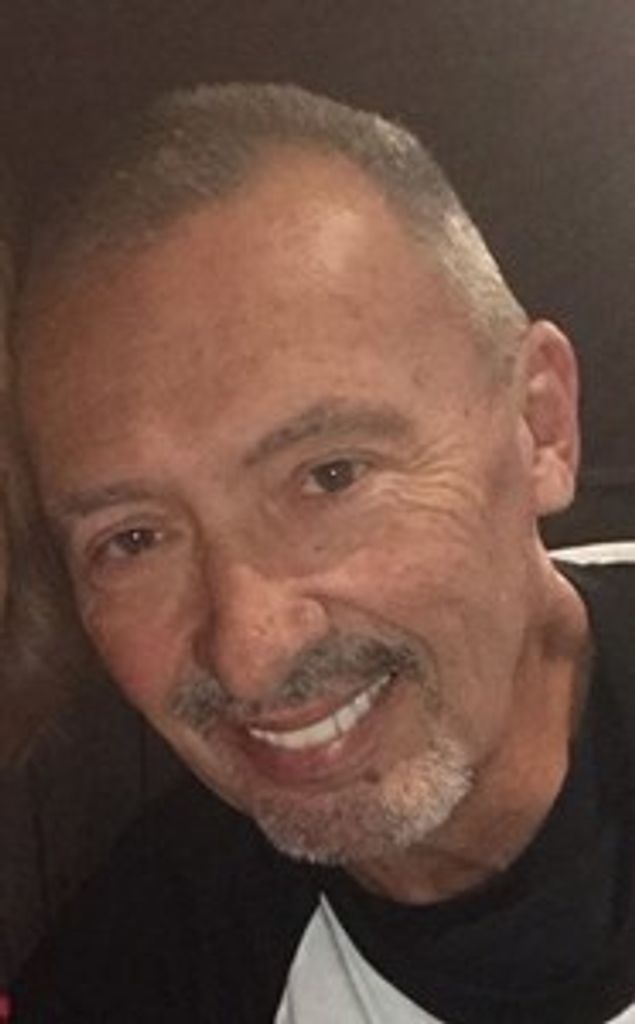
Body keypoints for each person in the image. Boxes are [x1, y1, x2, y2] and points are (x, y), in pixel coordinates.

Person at [7, 83, 635, 1023]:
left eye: (330, 476)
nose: (249, 651)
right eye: (133, 539)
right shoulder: (143, 972)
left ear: (538, 425)